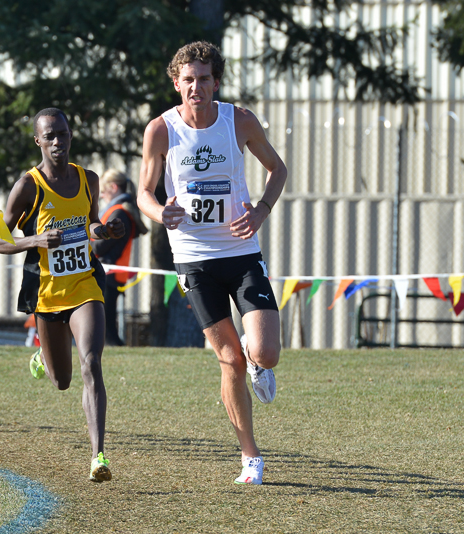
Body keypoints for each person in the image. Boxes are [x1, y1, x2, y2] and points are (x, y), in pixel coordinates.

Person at [136, 41, 287, 485]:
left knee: (264, 352)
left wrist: (259, 210)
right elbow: (145, 190)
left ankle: (259, 363)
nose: (196, 87)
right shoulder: (160, 130)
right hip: (194, 260)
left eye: (204, 79)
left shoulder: (237, 121)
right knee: (228, 359)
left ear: (215, 82)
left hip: (240, 254)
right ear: (176, 83)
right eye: (188, 80)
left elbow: (277, 169)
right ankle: (250, 458)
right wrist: (158, 211)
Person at [0, 107, 125, 482]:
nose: (57, 142)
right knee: (62, 380)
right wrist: (35, 239)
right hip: (47, 294)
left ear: (70, 136)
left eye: (62, 134)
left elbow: (91, 224)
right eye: (49, 136)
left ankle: (98, 456)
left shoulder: (88, 179)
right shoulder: (28, 186)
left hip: (84, 285)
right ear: (37, 140)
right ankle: (42, 356)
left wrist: (107, 230)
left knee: (92, 363)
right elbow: (0, 242)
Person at [92, 169, 148, 346]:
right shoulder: (119, 210)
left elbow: (100, 246)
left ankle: (116, 347)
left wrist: (84, 240)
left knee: (106, 324)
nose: (101, 196)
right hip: (110, 272)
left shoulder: (118, 213)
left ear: (113, 187)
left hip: (109, 272)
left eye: (102, 191)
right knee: (106, 320)